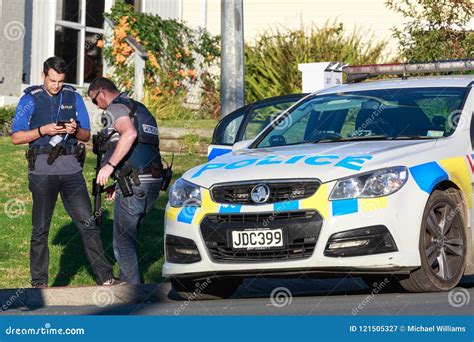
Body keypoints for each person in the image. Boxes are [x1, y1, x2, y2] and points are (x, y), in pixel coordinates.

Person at [11, 57, 123, 288]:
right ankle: (39, 284)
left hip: (72, 171)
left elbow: (86, 135)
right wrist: (42, 130)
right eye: (52, 80)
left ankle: (106, 278)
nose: (56, 85)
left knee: (89, 224)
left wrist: (74, 130)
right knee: (40, 230)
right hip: (42, 172)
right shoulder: (30, 99)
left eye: (61, 81)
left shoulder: (73, 96)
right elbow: (16, 137)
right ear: (44, 75)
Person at [88, 77, 163, 284]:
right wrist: (118, 182)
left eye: (95, 100)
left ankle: (131, 290)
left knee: (123, 241)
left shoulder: (116, 108)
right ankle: (132, 284)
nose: (97, 106)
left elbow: (129, 134)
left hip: (136, 183)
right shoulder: (139, 108)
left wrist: (109, 166)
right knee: (128, 236)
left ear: (101, 92)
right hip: (152, 181)